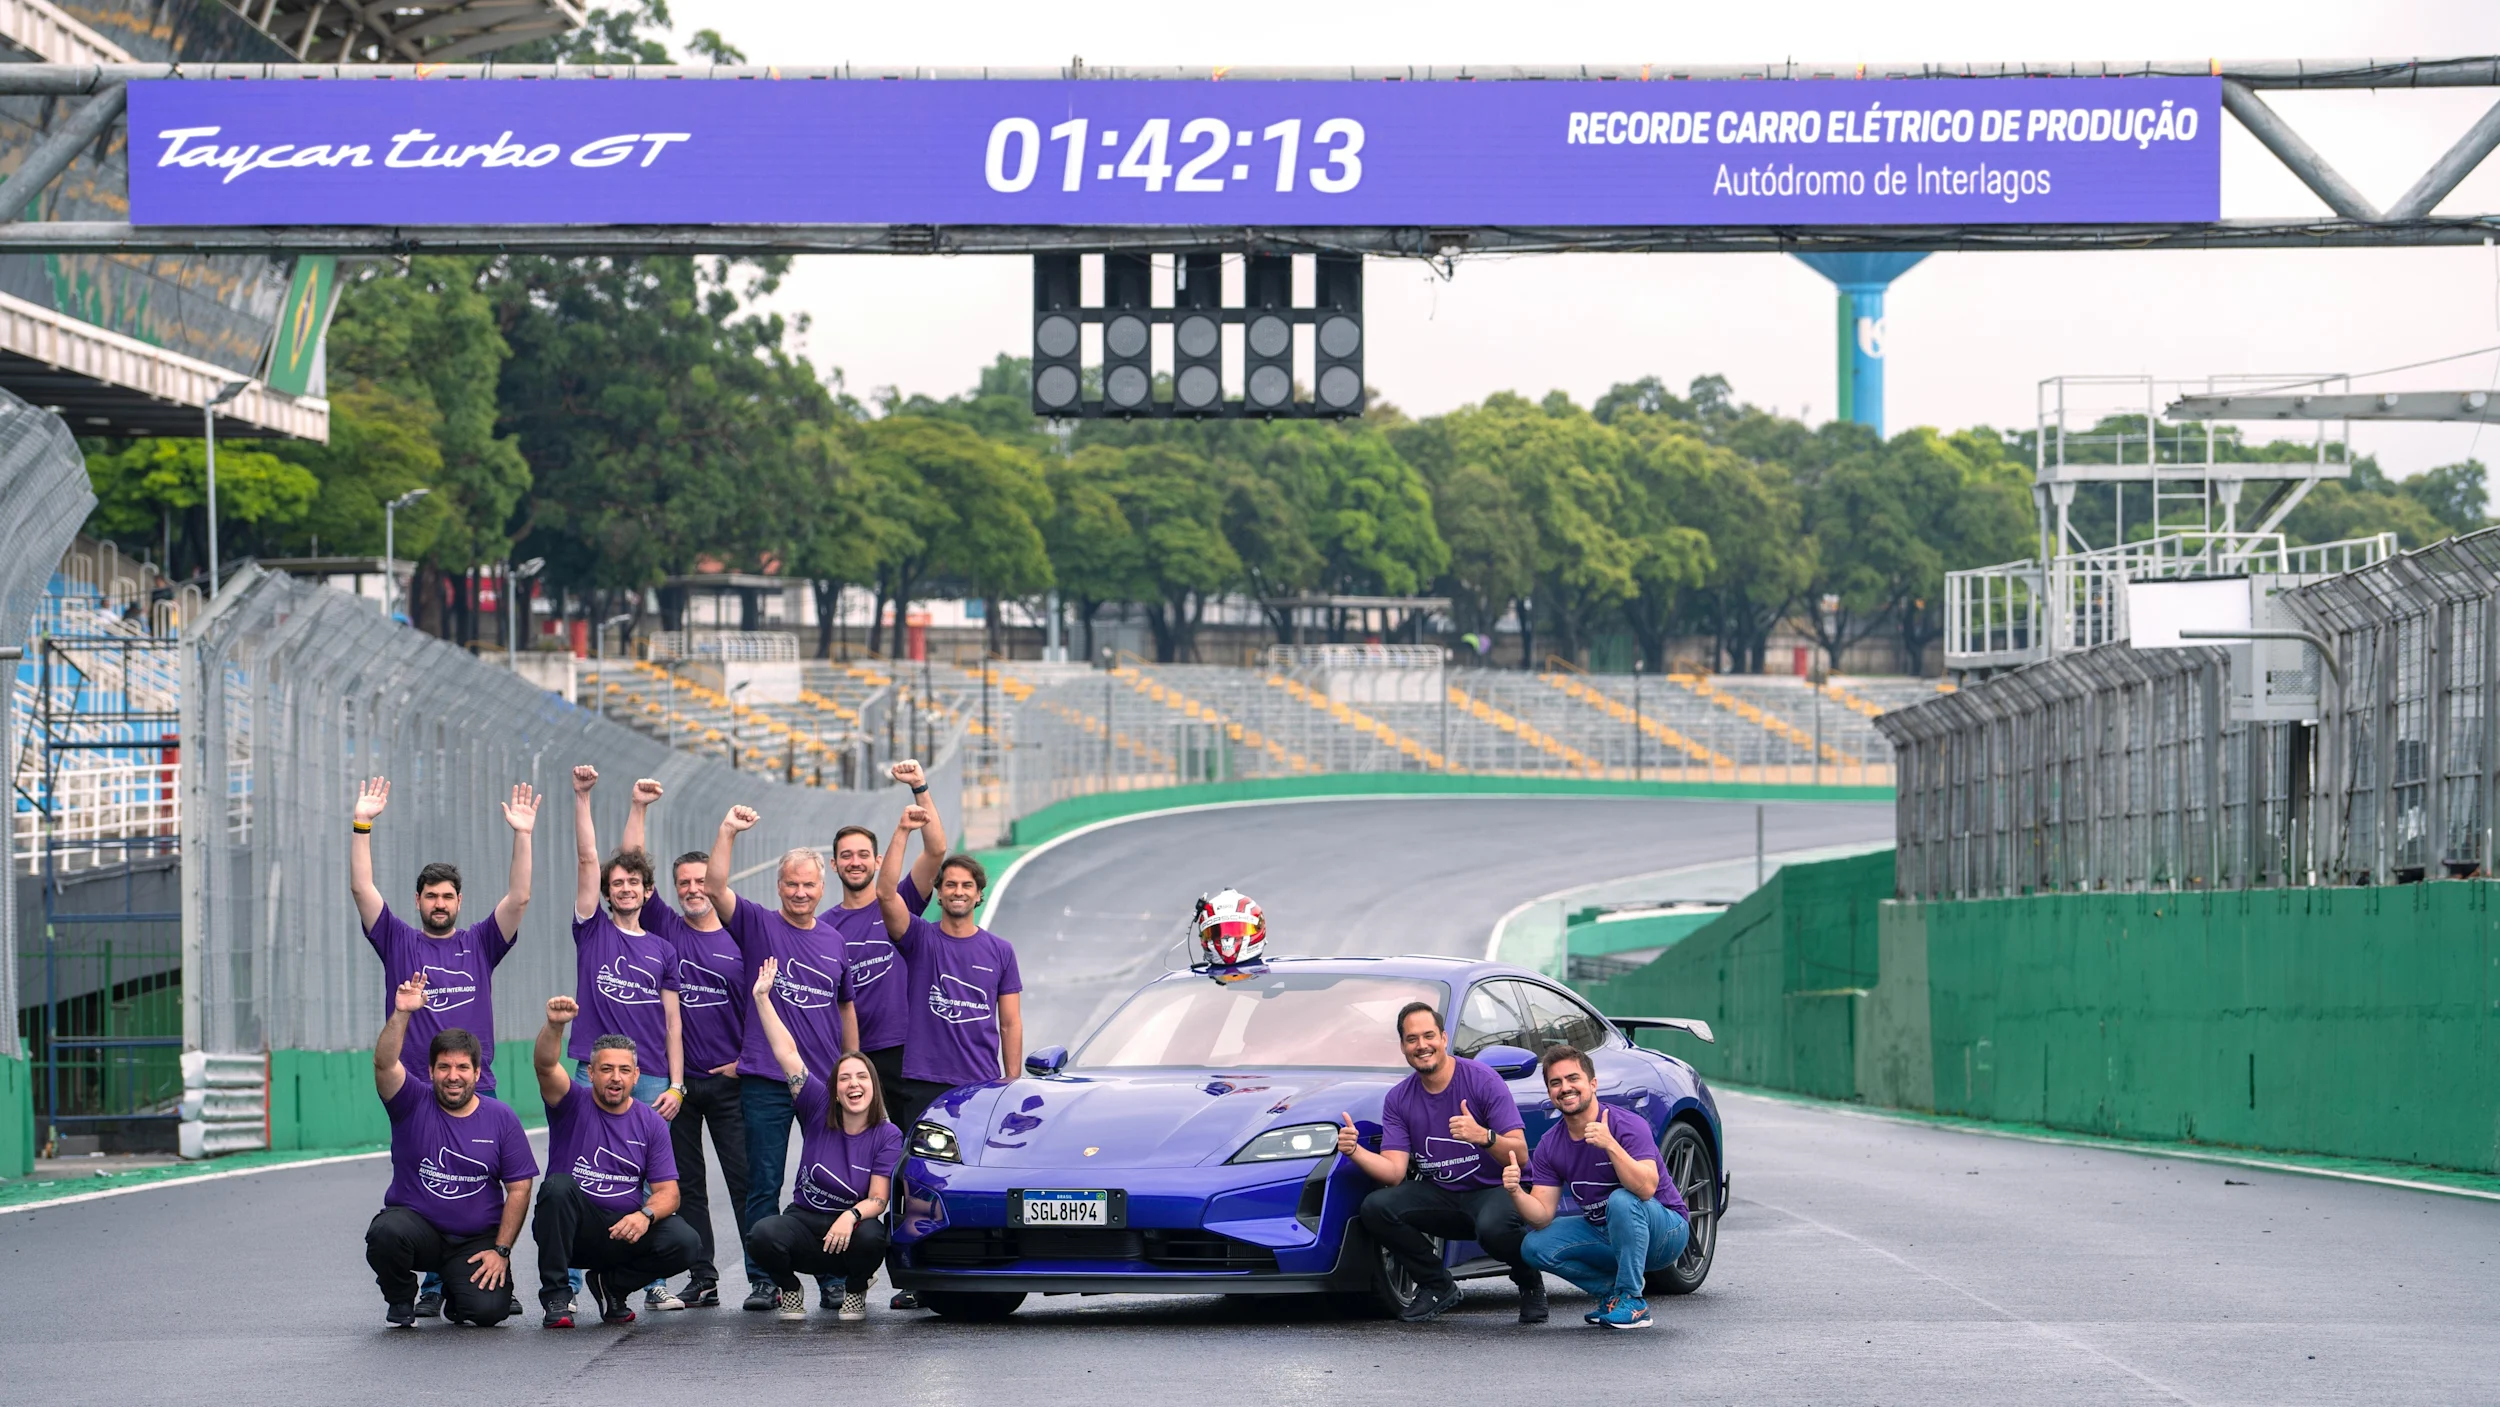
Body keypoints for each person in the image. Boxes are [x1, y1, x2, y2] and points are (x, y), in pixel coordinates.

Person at [350, 773, 539, 1319]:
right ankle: (429, 1284)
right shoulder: (398, 940)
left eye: (447, 896)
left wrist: (522, 834)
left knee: (478, 1181)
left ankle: (478, 1273)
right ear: (418, 900)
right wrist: (361, 825)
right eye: (430, 896)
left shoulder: (479, 943)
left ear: (459, 901)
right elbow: (362, 890)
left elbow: (520, 897)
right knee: (431, 1178)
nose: (439, 903)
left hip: (477, 1086)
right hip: (416, 1090)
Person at [705, 803, 861, 1313]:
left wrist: (852, 1065)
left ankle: (832, 1279)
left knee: (830, 1183)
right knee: (764, 1183)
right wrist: (728, 831)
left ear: (822, 886)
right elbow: (715, 887)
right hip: (767, 1080)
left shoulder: (834, 940)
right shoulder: (757, 924)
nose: (800, 892)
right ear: (779, 887)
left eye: (808, 885)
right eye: (791, 884)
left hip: (822, 1085)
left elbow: (845, 1006)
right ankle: (766, 1280)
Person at [875, 805, 1022, 1312]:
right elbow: (886, 894)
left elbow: (1010, 1022)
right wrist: (901, 831)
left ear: (979, 894)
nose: (958, 892)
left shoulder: (1000, 951)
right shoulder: (920, 938)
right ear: (938, 893)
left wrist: (1012, 1082)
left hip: (981, 1088)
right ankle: (918, 1275)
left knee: (978, 1180)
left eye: (966, 886)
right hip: (923, 1082)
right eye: (950, 885)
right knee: (920, 1182)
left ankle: (985, 1264)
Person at [620, 777, 748, 1310]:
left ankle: (765, 1277)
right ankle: (703, 1276)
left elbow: (767, 1006)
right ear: (671, 889)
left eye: (701, 881)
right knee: (686, 1186)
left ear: (714, 883)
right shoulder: (666, 928)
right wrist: (639, 807)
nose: (694, 889)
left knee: (746, 1182)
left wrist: (747, 1061)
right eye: (684, 883)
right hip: (678, 1088)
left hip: (732, 1083)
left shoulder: (742, 934)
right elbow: (629, 864)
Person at [1337, 1001, 1545, 1324]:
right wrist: (1355, 1152)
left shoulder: (1482, 1080)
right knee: (1376, 1207)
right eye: (1412, 1039)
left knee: (1493, 1227)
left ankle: (1529, 1280)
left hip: (1499, 1189)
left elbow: (1520, 1154)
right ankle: (1437, 1284)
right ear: (1403, 1046)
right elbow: (1394, 1173)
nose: (1422, 1045)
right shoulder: (1399, 1098)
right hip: (1445, 1194)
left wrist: (1483, 1136)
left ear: (1444, 1038)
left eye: (1429, 1036)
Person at [567, 764, 686, 1312]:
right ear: (607, 893)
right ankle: (569, 1281)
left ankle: (645, 1278)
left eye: (634, 883)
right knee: (580, 1168)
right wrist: (583, 797)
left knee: (645, 1176)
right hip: (590, 1069)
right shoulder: (592, 929)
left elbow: (673, 1022)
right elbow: (588, 859)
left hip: (652, 1075)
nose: (625, 888)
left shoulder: (663, 948)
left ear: (647, 891)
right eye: (617, 884)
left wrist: (677, 1083)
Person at [364, 973, 536, 1328]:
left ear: (477, 1073)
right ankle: (400, 1298)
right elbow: (384, 1064)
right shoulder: (410, 1102)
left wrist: (501, 1251)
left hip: (473, 1240)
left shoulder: (502, 1117)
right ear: (430, 1071)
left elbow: (519, 1188)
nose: (453, 1076)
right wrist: (402, 1013)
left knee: (489, 1313)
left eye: (462, 1068)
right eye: (444, 1067)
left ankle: (458, 1296)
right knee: (385, 1233)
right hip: (419, 1232)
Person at [741, 957, 901, 1322]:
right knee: (762, 1234)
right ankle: (790, 1288)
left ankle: (855, 1290)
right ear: (835, 1090)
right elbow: (787, 1053)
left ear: (873, 1086)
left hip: (849, 1230)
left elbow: (878, 1199)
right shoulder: (817, 1106)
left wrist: (850, 1216)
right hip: (805, 1222)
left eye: (861, 1077)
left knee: (873, 1235)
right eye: (844, 1078)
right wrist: (763, 998)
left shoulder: (887, 1134)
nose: (853, 1084)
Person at [528, 996, 701, 1328]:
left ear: (636, 1076)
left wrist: (644, 1216)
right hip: (571, 1232)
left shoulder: (651, 1123)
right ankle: (557, 1295)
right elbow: (546, 1066)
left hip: (623, 1231)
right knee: (558, 1187)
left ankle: (613, 1286)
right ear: (591, 1073)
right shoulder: (571, 1103)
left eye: (624, 1070)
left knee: (686, 1242)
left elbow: (668, 1193)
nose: (615, 1078)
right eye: (606, 1069)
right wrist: (555, 1026)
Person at [1504, 1045, 1687, 1331]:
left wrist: (1610, 1145)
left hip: (1664, 1232)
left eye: (1573, 1078)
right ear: (1549, 1093)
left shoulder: (1627, 1125)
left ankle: (1633, 1301)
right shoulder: (1550, 1144)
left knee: (1621, 1200)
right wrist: (1515, 1191)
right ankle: (1614, 1296)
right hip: (1606, 1232)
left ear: (1592, 1084)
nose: (1565, 1088)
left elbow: (1646, 1189)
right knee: (1534, 1246)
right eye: (1556, 1082)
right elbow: (1541, 1216)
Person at [828, 759, 949, 1112]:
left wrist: (919, 788)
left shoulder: (900, 903)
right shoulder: (824, 927)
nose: (855, 862)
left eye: (863, 855)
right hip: (854, 1058)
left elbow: (936, 851)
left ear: (878, 861)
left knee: (912, 1139)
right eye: (846, 856)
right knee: (862, 1144)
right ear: (834, 865)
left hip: (907, 1050)